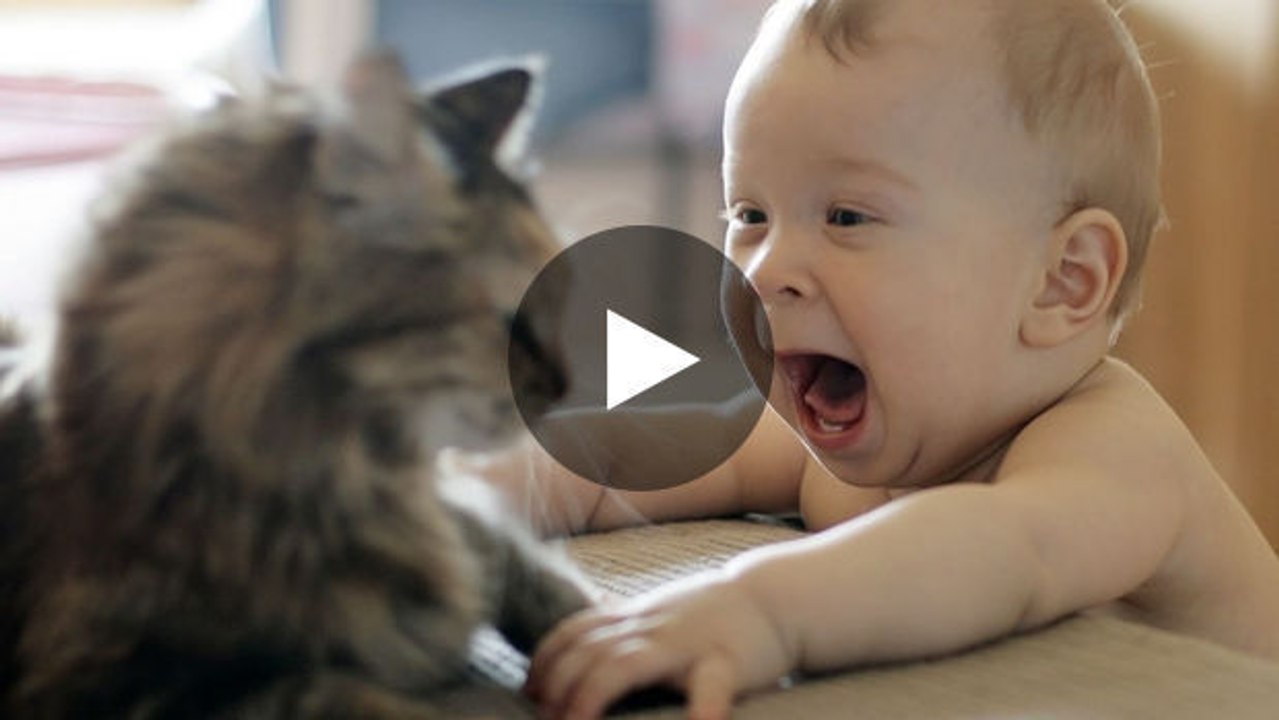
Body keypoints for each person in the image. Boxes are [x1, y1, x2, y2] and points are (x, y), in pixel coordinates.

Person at [466, 1, 1279, 718]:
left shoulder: (1115, 453)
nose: (764, 271)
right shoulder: (849, 437)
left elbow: (997, 552)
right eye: (748, 214)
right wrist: (479, 492)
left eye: (847, 217)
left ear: (1060, 280)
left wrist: (759, 611)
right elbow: (630, 458)